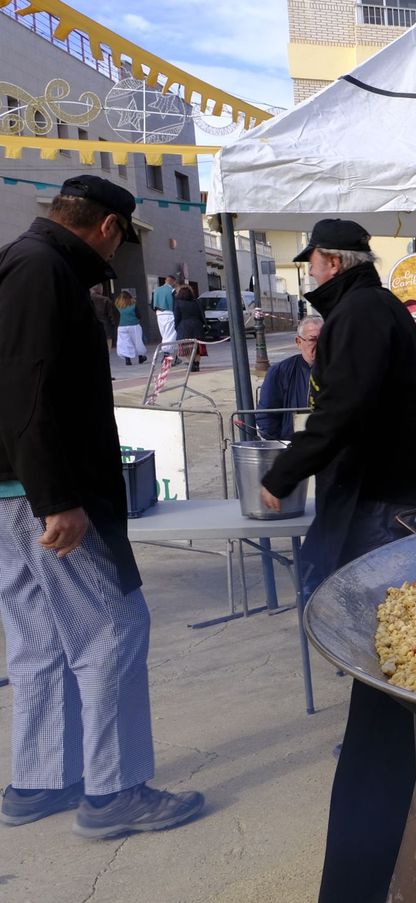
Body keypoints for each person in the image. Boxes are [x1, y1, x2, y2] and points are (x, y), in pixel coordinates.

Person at [0, 174, 205, 838]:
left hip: (14, 495)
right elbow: (25, 388)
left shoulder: (22, 262)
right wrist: (57, 497)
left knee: (39, 642)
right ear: (110, 228)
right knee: (114, 628)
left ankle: (40, 778)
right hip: (44, 499)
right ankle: (114, 791)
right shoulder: (43, 269)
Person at [256, 219, 416, 903]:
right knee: (386, 651)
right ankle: (392, 741)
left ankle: (393, 756)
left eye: (312, 264)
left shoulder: (360, 312)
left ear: (331, 261)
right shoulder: (372, 306)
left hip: (379, 501)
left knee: (384, 650)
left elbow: (343, 413)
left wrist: (283, 472)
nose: (309, 275)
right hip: (386, 494)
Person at [257, 316, 322, 441]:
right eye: (312, 340)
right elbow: (266, 415)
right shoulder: (280, 371)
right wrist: (282, 445)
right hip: (292, 444)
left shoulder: (341, 369)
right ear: (299, 342)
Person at [172, 282, 204, 371]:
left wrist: (177, 327)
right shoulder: (197, 302)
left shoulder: (178, 303)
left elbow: (177, 317)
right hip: (197, 326)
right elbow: (202, 315)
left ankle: (192, 363)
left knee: (186, 349)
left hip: (184, 327)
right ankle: (197, 364)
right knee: (197, 348)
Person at [113, 289, 145, 366]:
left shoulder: (117, 307)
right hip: (134, 325)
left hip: (122, 326)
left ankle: (128, 360)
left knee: (125, 343)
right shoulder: (133, 306)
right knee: (137, 341)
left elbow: (115, 316)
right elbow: (139, 315)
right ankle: (141, 357)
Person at [151, 275, 176, 347]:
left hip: (159, 314)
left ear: (165, 281)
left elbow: (152, 305)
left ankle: (166, 352)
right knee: (170, 334)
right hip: (170, 313)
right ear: (173, 282)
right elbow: (175, 304)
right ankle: (166, 352)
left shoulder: (156, 290)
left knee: (164, 333)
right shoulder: (172, 290)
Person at [89, 284, 116, 351]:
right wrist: (114, 326)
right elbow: (112, 316)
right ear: (100, 289)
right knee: (106, 350)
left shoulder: (85, 300)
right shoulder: (106, 300)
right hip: (105, 329)